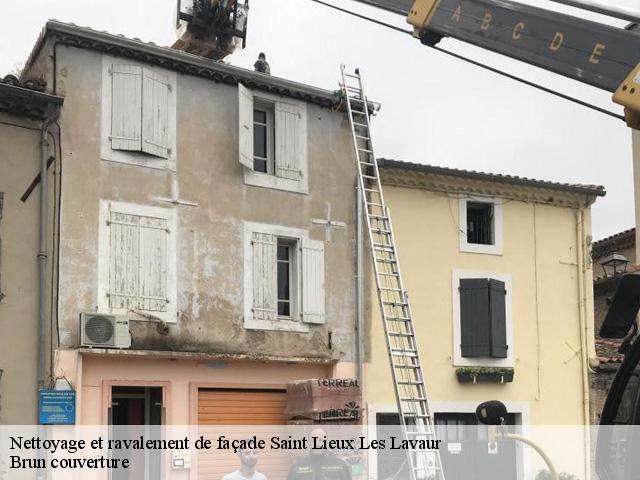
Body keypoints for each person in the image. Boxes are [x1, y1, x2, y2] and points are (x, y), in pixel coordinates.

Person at [287, 428, 352, 480]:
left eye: (321, 440)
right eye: (313, 440)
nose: (317, 444)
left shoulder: (340, 465)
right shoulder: (297, 467)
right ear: (308, 443)